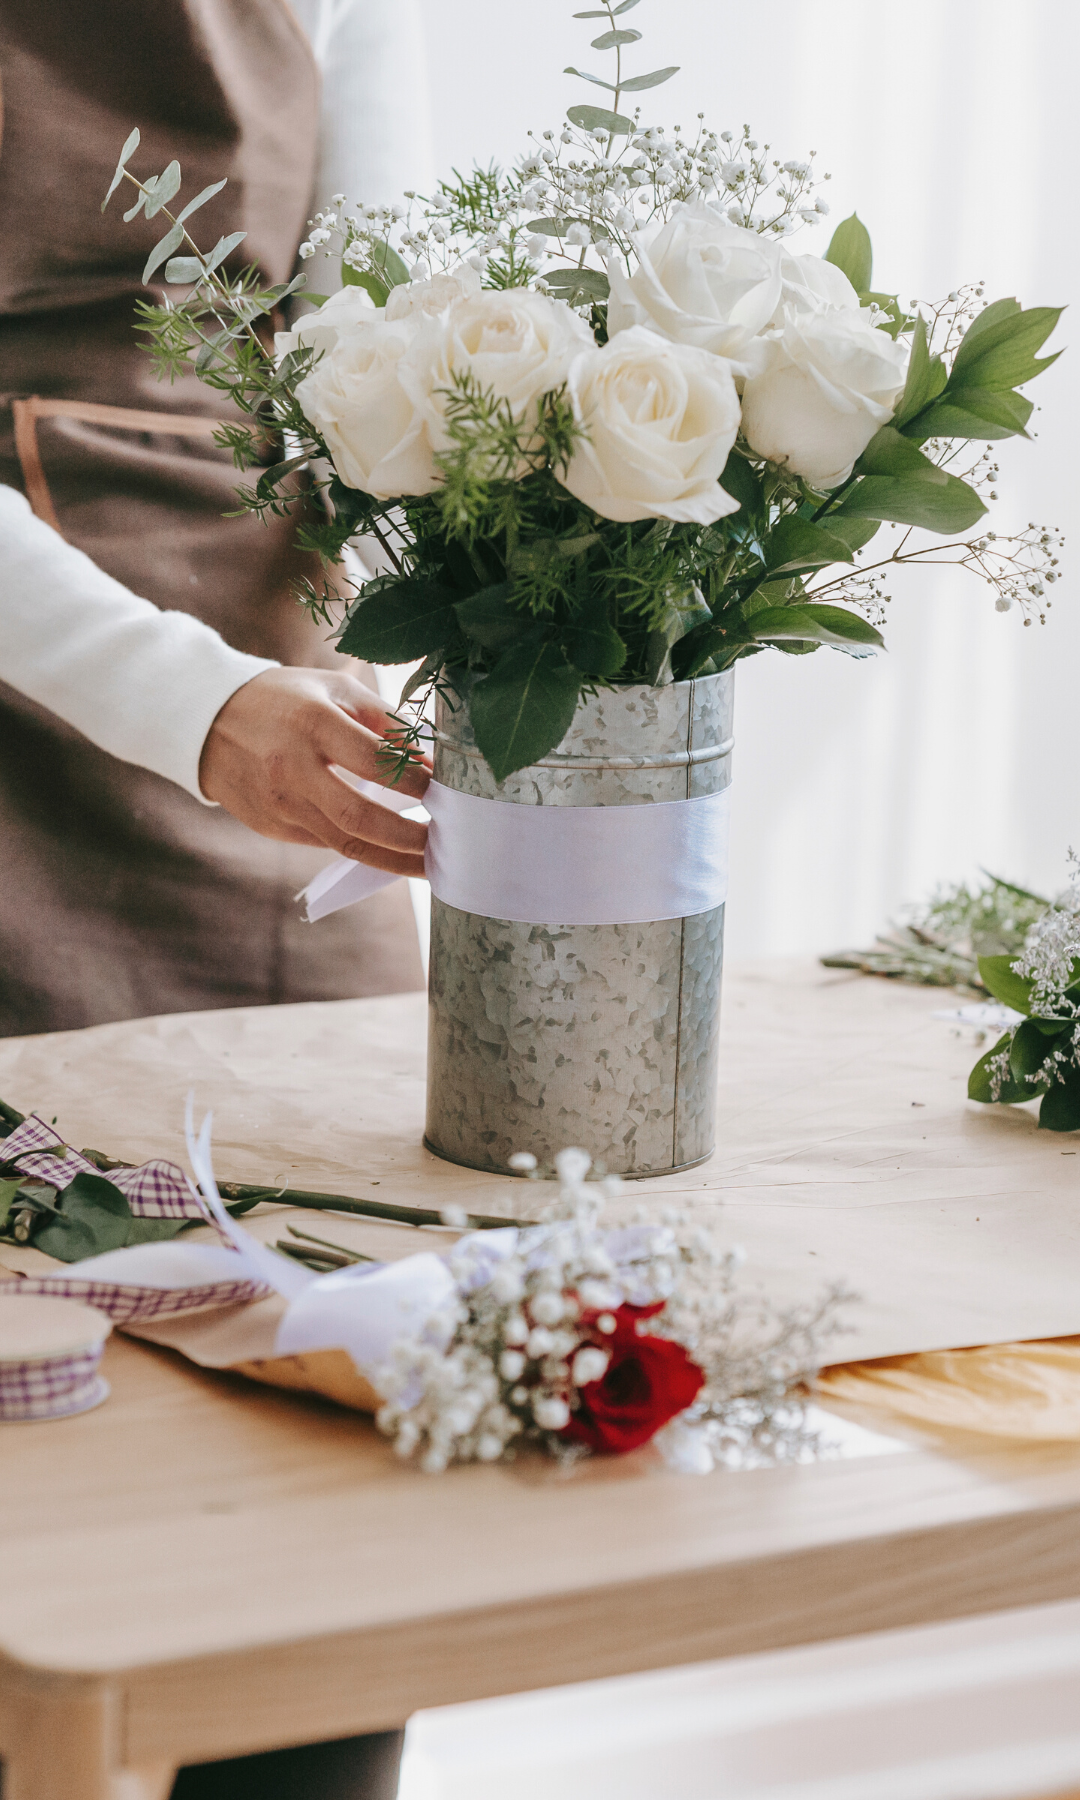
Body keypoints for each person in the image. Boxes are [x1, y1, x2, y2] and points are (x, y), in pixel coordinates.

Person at [1, 2, 435, 1792]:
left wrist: (477, 575)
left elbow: (382, 296)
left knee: (343, 1357)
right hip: (89, 657)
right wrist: (189, 706)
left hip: (273, 635)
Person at [0, 0, 432, 1039]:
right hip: (43, 638)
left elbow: (381, 353)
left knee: (335, 1145)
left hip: (275, 647)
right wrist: (196, 705)